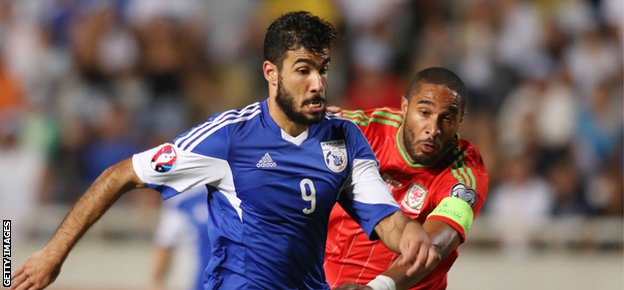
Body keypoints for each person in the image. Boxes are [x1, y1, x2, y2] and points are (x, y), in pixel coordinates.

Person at [11, 11, 436, 290]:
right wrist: (52, 253)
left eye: (322, 70)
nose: (317, 84)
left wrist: (410, 236)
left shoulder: (344, 139)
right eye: (303, 71)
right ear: (271, 73)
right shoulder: (229, 138)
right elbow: (120, 174)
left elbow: (386, 220)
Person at [324, 67, 489, 290]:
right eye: (424, 113)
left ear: (460, 119)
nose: (433, 129)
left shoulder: (464, 172)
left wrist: (376, 288)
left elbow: (435, 245)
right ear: (404, 107)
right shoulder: (359, 131)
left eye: (447, 118)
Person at [148, 186, 210, 290]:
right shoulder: (182, 200)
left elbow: (165, 244)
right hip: (198, 283)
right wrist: (156, 282)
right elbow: (165, 242)